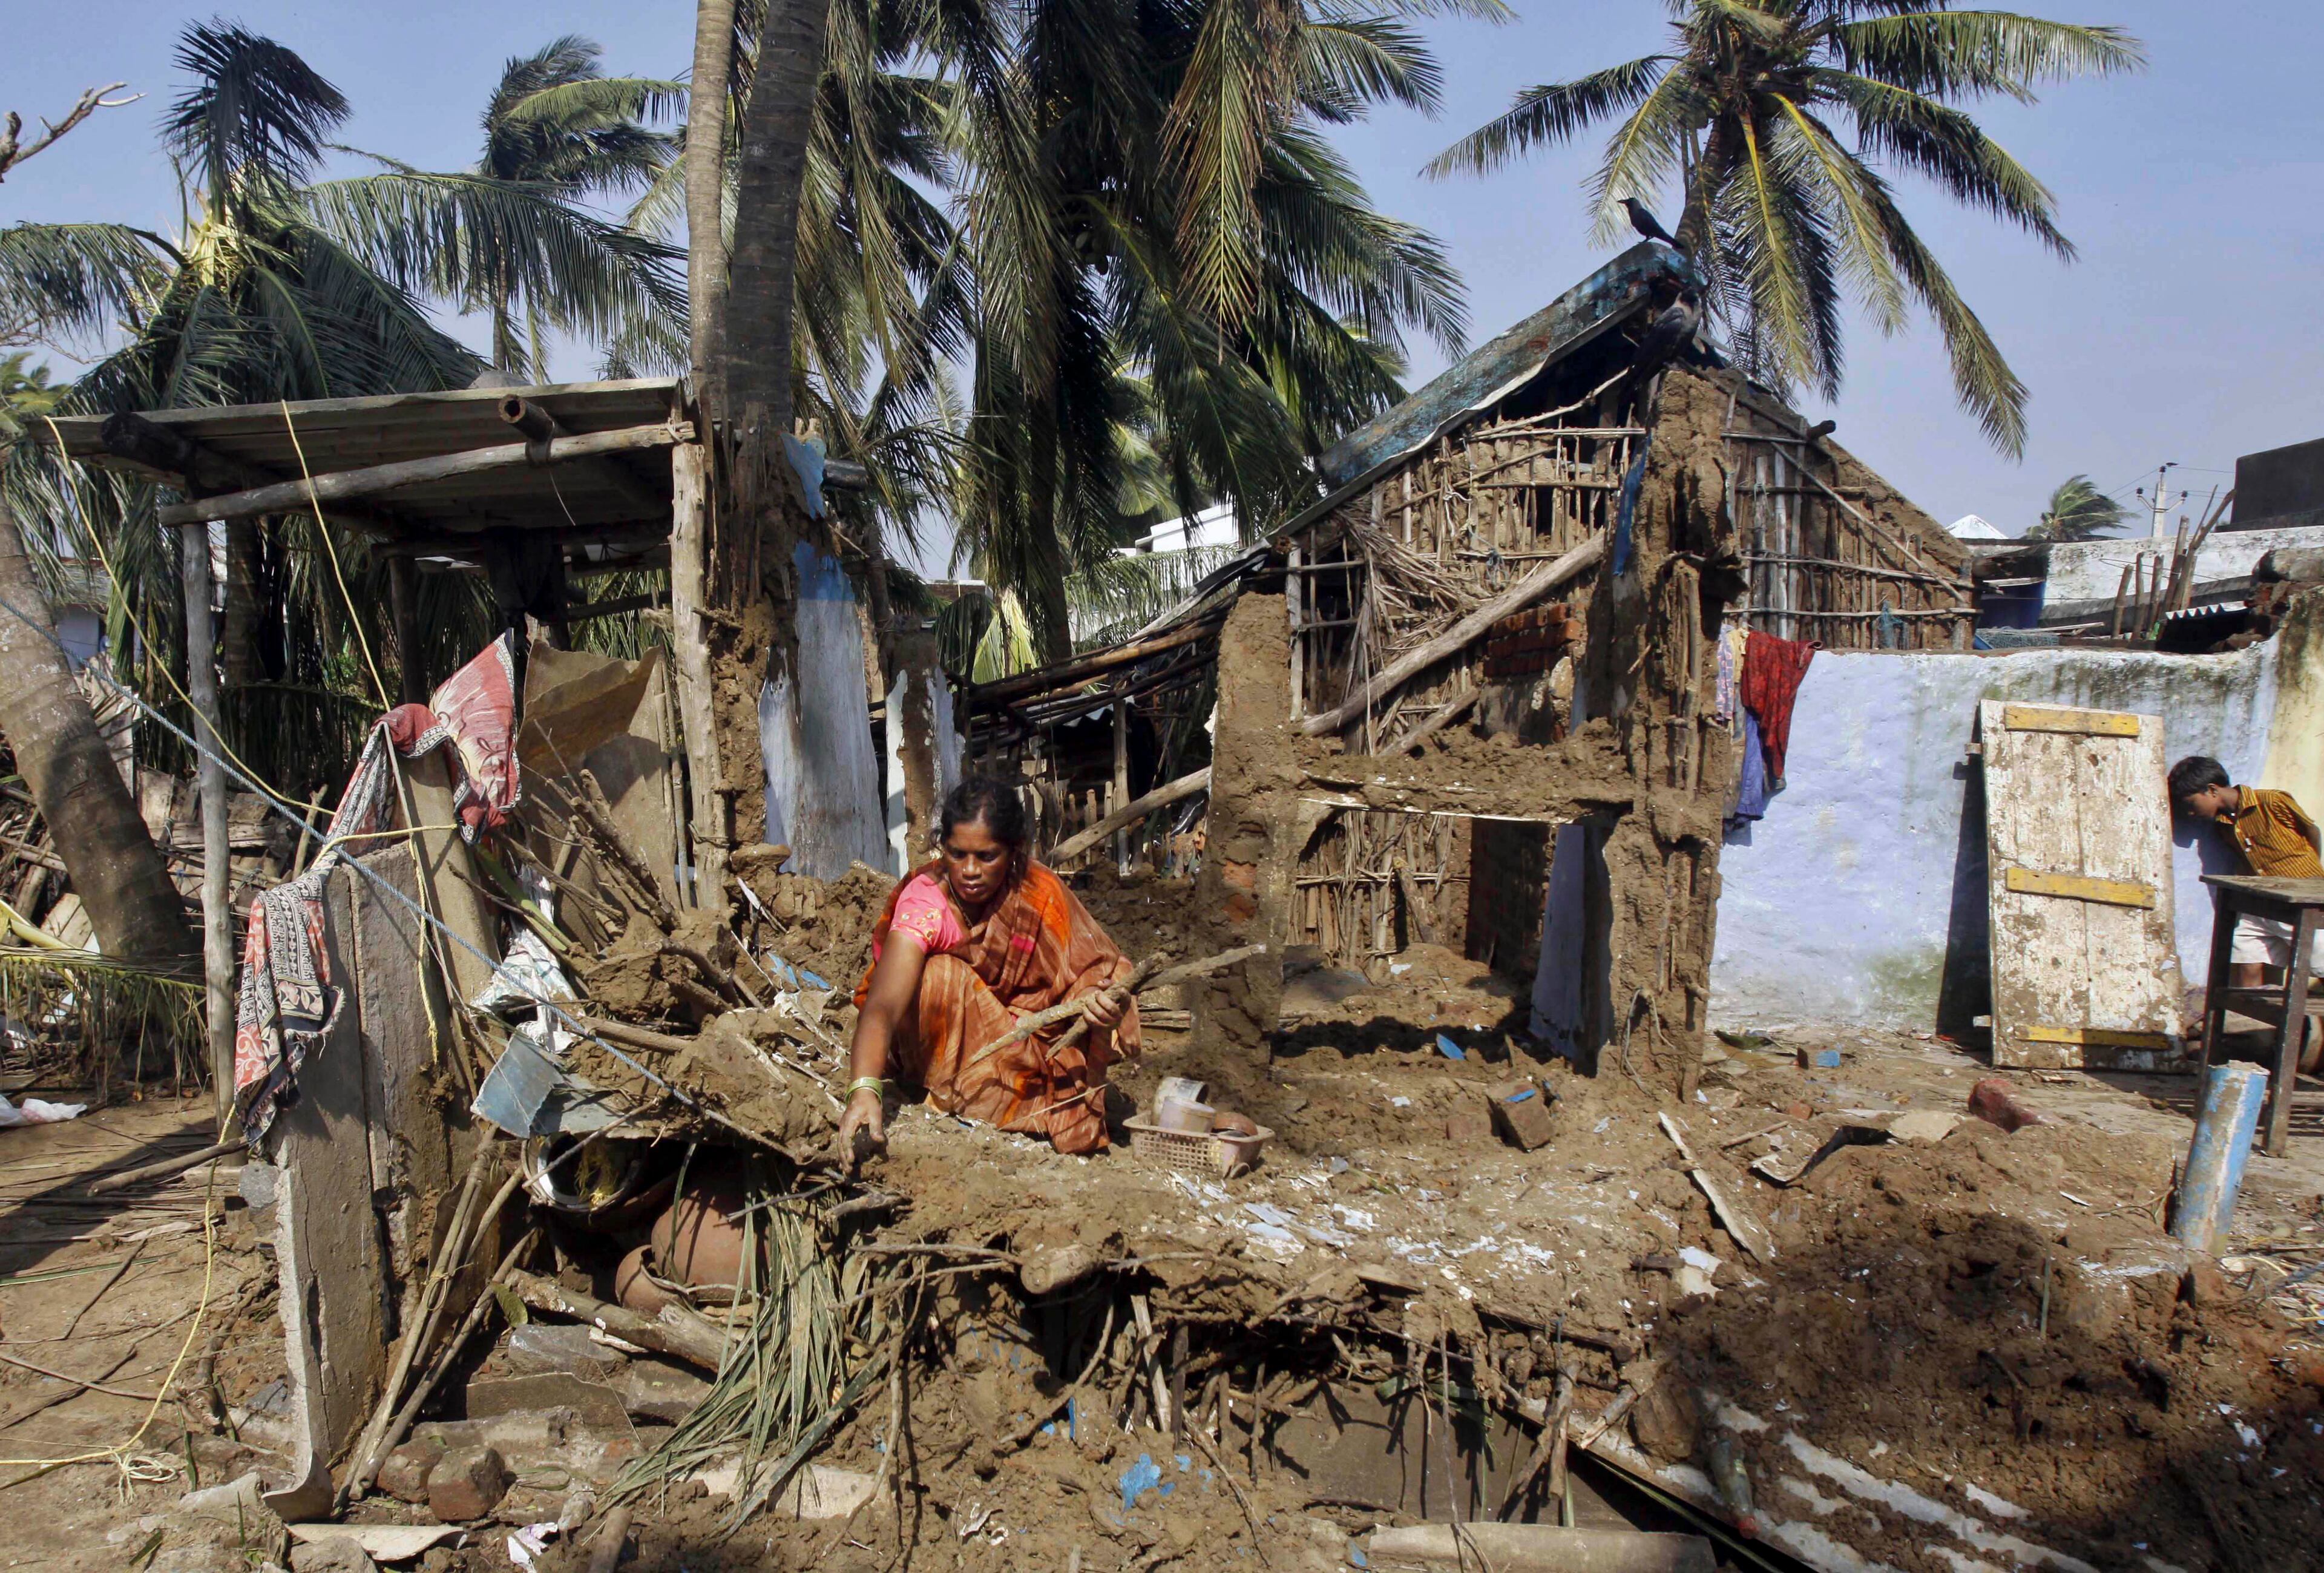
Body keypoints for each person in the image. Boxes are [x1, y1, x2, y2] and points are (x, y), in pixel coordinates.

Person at [836, 776, 1140, 1161]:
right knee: (940, 975)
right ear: (942, 848)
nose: (969, 870)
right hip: (938, 1047)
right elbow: (883, 1005)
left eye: (986, 856)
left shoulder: (1039, 894)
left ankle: (999, 1100)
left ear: (1014, 852)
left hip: (1026, 1048)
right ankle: (953, 1090)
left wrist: (1098, 1005)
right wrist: (864, 1090)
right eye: (957, 854)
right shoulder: (926, 901)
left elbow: (1095, 972)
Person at [2168, 755, 2324, 990]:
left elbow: (2312, 832)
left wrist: (2308, 881)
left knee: (2320, 967)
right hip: (2261, 903)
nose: (2190, 813)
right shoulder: (2222, 825)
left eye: (2191, 805)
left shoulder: (2272, 802)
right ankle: (2250, 1025)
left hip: (2302, 902)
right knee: (2247, 963)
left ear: (2212, 790)